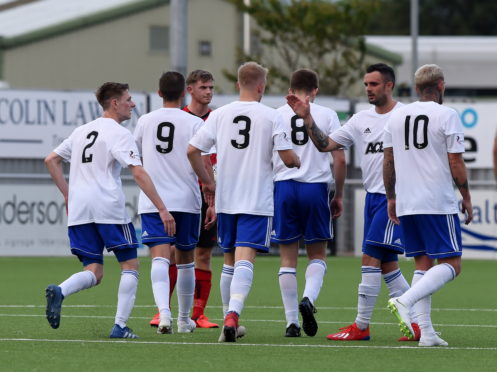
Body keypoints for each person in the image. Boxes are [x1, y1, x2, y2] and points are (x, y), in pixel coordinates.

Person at [287, 63, 419, 341]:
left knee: (370, 259)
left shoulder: (406, 114)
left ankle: (361, 325)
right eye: (366, 84)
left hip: (394, 198)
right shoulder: (361, 120)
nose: (368, 89)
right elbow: (325, 145)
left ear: (389, 86)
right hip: (373, 198)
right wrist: (308, 120)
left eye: (373, 84)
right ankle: (417, 322)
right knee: (386, 264)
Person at [44, 82, 175, 339]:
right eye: (128, 99)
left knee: (94, 270)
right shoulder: (119, 132)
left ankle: (60, 291)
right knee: (130, 265)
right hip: (107, 207)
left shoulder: (82, 131)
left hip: (80, 209)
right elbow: (137, 172)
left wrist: (68, 194)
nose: (133, 104)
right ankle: (120, 326)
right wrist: (162, 208)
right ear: (114, 103)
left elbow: (51, 160)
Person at [188, 61, 301, 342]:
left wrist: (209, 183)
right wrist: (296, 159)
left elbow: (192, 150)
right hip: (256, 199)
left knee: (228, 261)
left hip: (227, 199)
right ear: (261, 86)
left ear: (239, 84)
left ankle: (230, 321)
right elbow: (288, 158)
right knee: (245, 259)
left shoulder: (219, 115)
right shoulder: (272, 116)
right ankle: (233, 315)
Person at [384, 64, 472, 347]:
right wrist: (466, 195)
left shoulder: (396, 117)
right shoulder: (447, 114)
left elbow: (388, 160)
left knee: (423, 264)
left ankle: (427, 333)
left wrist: (391, 197)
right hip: (435, 201)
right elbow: (456, 161)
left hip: (408, 200)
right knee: (453, 265)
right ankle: (404, 299)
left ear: (417, 88)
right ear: (441, 86)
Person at [135, 71, 214, 334]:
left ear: (159, 93)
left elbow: (138, 160)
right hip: (186, 199)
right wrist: (209, 185)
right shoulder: (193, 122)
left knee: (159, 257)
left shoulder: (145, 121)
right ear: (184, 93)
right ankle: (183, 320)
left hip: (154, 200)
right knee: (186, 259)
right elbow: (203, 159)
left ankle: (164, 315)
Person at [273, 69, 345, 337]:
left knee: (287, 258)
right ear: (314, 90)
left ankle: (292, 322)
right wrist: (338, 194)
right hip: (315, 188)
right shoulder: (327, 114)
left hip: (284, 187)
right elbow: (340, 159)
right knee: (317, 254)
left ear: (291, 89)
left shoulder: (276, 114)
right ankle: (309, 300)